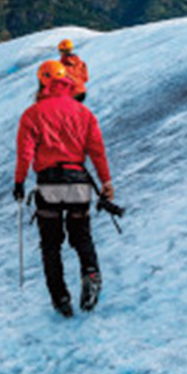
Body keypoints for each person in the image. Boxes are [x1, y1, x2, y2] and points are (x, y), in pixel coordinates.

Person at [14, 59, 114, 317]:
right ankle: (91, 273)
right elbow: (97, 152)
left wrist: (19, 182)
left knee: (51, 244)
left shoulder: (32, 114)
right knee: (81, 236)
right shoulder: (83, 113)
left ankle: (60, 298)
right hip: (78, 182)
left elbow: (25, 154)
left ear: (42, 82)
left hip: (48, 185)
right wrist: (106, 183)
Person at [57, 38, 90, 102]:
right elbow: (86, 78)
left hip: (70, 94)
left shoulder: (60, 66)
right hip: (82, 92)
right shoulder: (81, 63)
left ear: (61, 51)